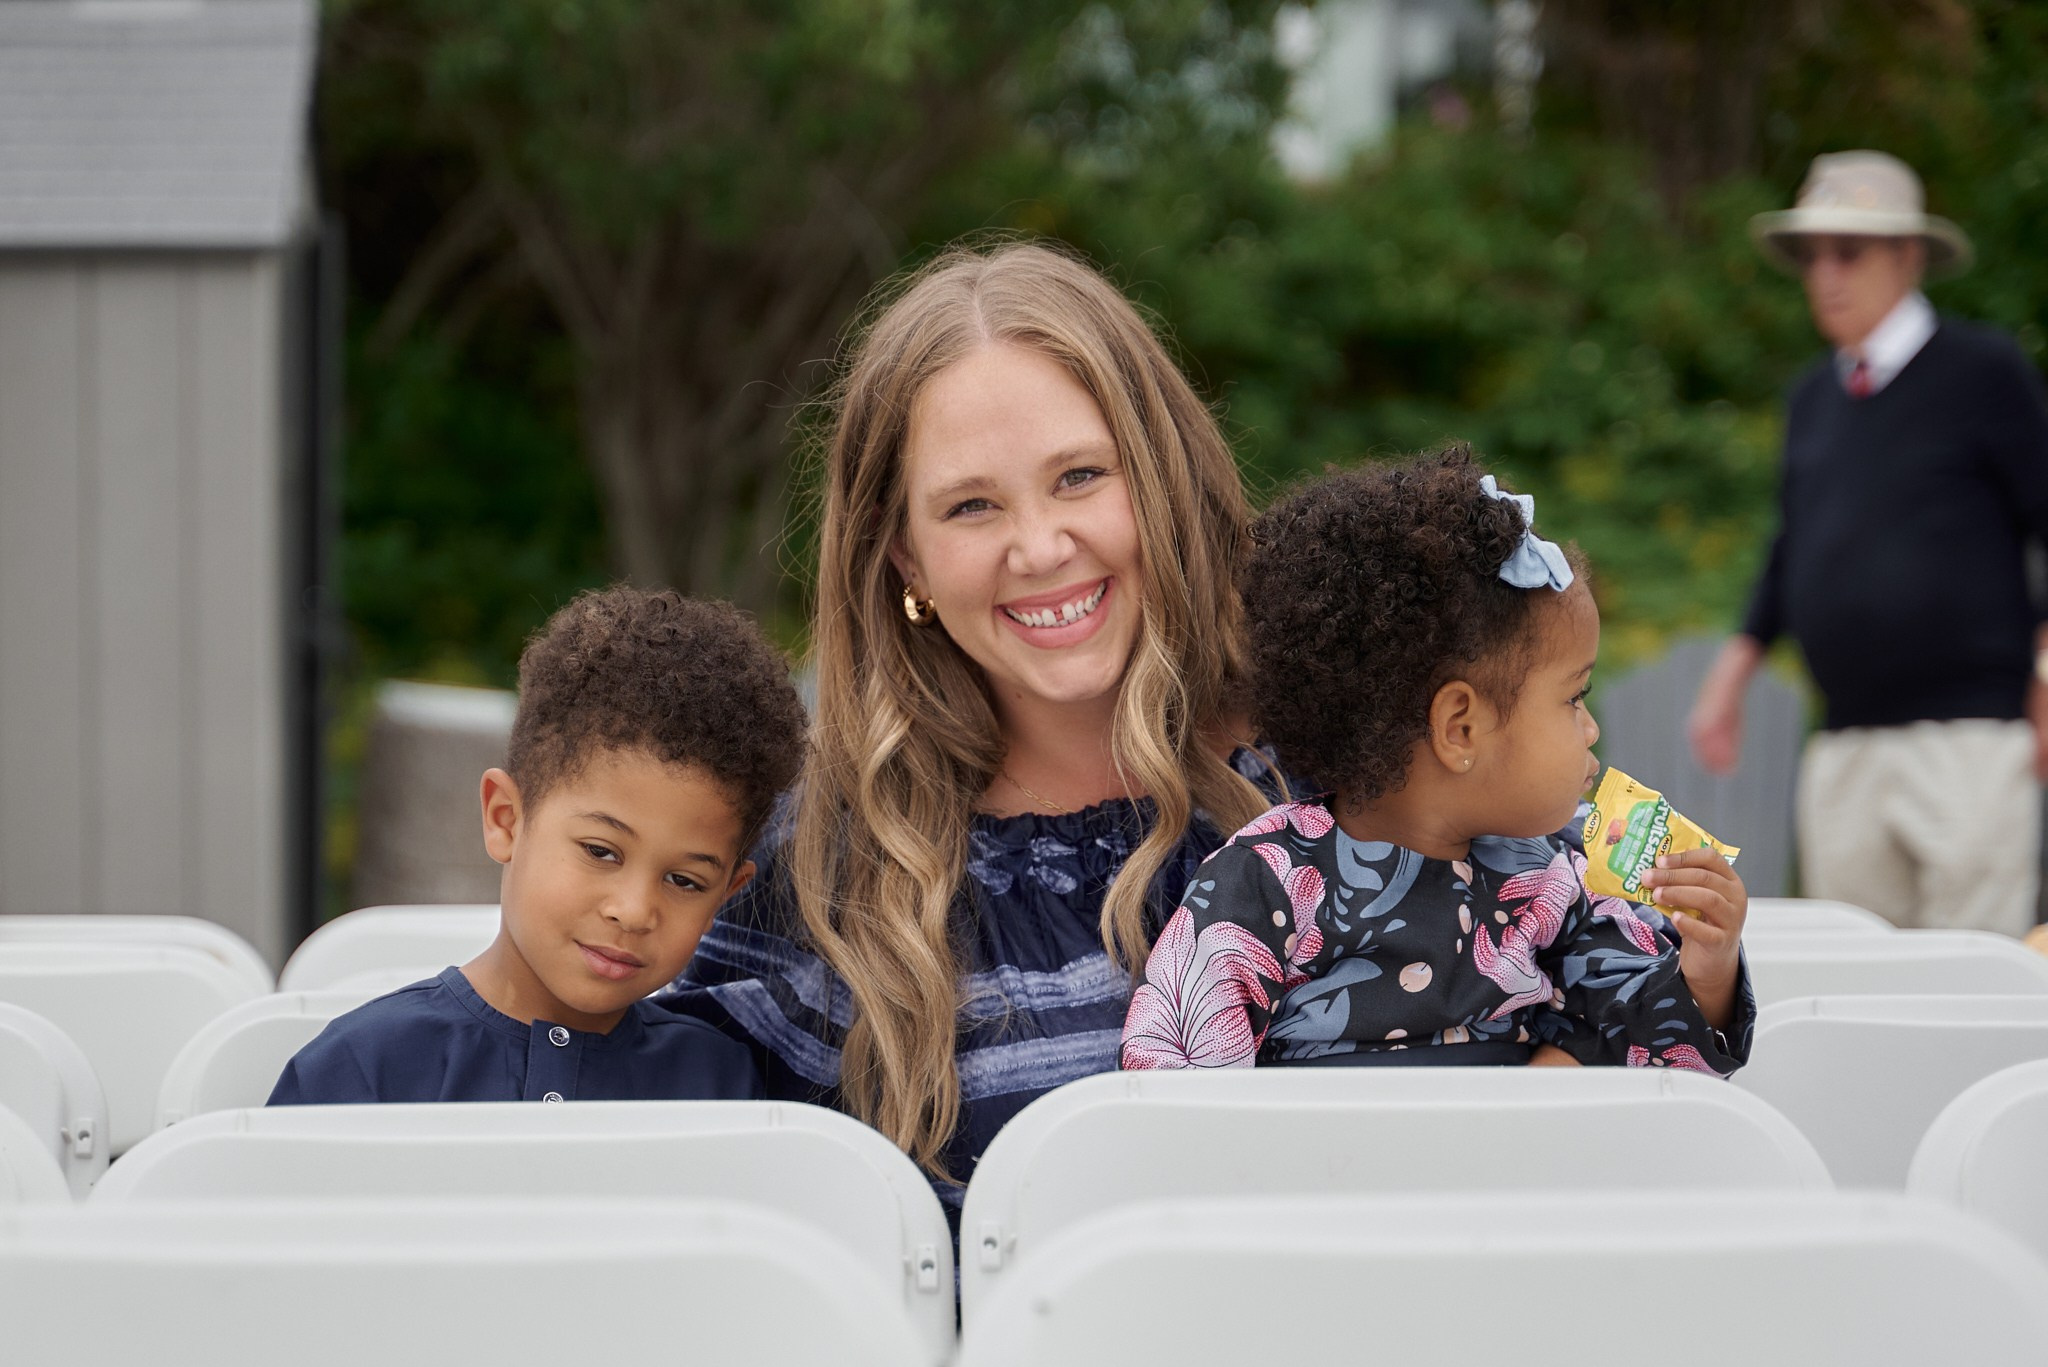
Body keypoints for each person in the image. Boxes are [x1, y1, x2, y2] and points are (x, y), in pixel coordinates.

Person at [659, 241, 1282, 1216]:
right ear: (904, 556)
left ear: (1159, 476)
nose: (1038, 546)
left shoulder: (1350, 751)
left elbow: (1599, 888)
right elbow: (665, 1188)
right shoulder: (819, 861)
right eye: (970, 505)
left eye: (1078, 475)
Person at [1121, 449, 1754, 1072]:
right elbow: (1174, 1094)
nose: (1591, 730)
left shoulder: (1559, 873)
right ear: (1461, 727)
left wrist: (1708, 968)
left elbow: (1651, 1044)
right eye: (1573, 697)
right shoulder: (1265, 886)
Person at [1688, 150, 2048, 936]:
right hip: (1845, 740)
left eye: (1848, 251)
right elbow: (1794, 546)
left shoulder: (1985, 372)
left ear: (1909, 256)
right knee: (1853, 975)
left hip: (1971, 739)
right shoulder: (1814, 398)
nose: (1826, 274)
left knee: (1974, 979)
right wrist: (1733, 672)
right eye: (1812, 255)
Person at [270, 587, 807, 1105]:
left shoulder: (722, 1086)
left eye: (685, 881)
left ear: (728, 893)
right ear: (505, 818)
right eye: (601, 851)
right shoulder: (360, 1070)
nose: (634, 911)